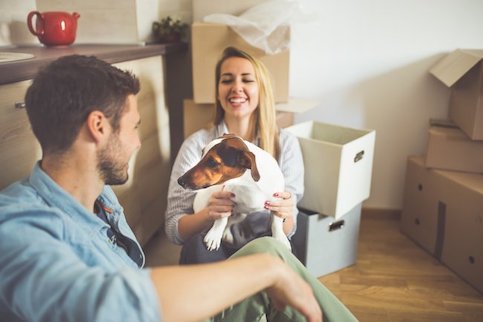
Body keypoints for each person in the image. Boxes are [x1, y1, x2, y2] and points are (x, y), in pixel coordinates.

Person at [0, 55, 358, 322]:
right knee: (270, 262)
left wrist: (276, 244)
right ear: (98, 126)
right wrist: (265, 270)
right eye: (134, 127)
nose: (139, 142)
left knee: (270, 252)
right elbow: (93, 302)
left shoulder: (101, 198)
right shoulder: (17, 225)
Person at [165, 46, 305, 264]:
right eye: (227, 80)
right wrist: (209, 213)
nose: (236, 88)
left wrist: (283, 214)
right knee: (197, 250)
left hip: (262, 241)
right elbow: (174, 229)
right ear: (218, 89)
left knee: (281, 259)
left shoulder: (285, 144)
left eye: (247, 80)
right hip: (212, 244)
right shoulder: (196, 145)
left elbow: (289, 228)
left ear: (261, 88)